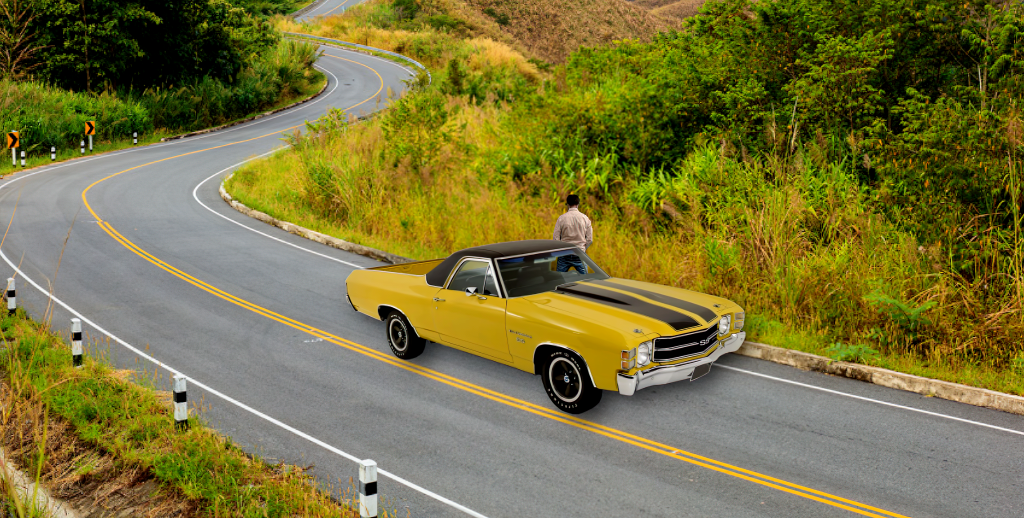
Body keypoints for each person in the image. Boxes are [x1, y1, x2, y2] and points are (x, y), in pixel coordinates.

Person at [552, 194, 593, 274]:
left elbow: (556, 238)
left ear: (567, 204)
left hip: (564, 254)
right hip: (580, 254)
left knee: (559, 280)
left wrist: (561, 249)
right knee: (586, 281)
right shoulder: (585, 218)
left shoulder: (561, 219)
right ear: (578, 204)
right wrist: (583, 248)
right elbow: (590, 239)